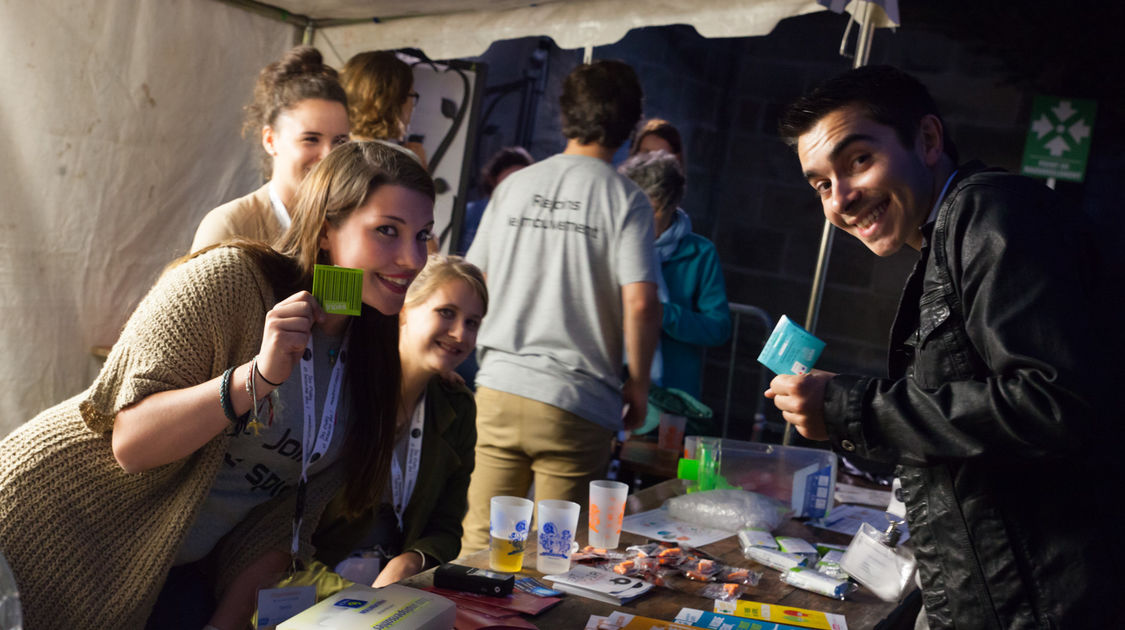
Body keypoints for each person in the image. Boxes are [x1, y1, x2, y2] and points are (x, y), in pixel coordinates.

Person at [0, 141, 435, 630]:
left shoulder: (371, 357)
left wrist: (223, 625)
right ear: (328, 229)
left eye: (422, 235)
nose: (411, 258)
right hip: (40, 531)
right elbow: (131, 444)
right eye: (387, 231)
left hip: (146, 576)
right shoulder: (230, 280)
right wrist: (257, 377)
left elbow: (281, 520)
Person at [766, 65, 1119, 628]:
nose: (840, 201)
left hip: (1035, 605)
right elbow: (960, 425)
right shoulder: (942, 238)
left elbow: (1052, 404)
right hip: (980, 592)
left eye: (858, 160)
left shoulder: (991, 213)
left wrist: (849, 405)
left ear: (928, 140)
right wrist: (841, 417)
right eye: (822, 185)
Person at [459, 60, 662, 554]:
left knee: (484, 545)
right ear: (630, 125)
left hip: (499, 388)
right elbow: (640, 301)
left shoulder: (514, 187)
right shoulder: (625, 199)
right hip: (578, 400)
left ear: (565, 114)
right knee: (554, 557)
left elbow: (473, 281)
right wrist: (637, 383)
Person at [311, 254, 485, 588]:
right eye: (446, 313)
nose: (460, 334)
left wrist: (414, 560)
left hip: (399, 596)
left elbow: (446, 526)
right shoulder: (345, 383)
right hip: (311, 585)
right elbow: (286, 521)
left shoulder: (457, 406)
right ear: (403, 308)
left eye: (473, 322)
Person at [190, 46, 350, 252]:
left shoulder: (349, 224)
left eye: (340, 141)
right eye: (310, 139)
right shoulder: (230, 227)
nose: (328, 156)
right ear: (270, 140)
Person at [618, 149, 730, 401]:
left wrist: (662, 313)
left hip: (673, 393)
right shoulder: (616, 244)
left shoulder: (700, 253)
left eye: (652, 209)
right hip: (614, 383)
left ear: (673, 204)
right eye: (636, 208)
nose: (642, 219)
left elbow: (718, 328)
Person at [341, 50, 427, 169]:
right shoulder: (397, 164)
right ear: (393, 101)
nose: (412, 105)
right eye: (411, 95)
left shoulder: (333, 148)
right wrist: (420, 170)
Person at [458, 146, 535, 255]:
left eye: (523, 182)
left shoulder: (530, 219)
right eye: (509, 182)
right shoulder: (471, 212)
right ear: (492, 181)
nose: (515, 188)